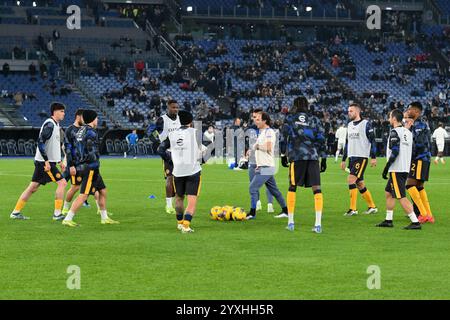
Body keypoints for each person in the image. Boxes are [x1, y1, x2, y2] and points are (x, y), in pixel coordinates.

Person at [10, 102, 67, 220]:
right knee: (62, 183)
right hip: (45, 163)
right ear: (55, 112)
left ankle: (15, 212)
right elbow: (40, 142)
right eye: (61, 111)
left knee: (33, 187)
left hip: (46, 162)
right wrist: (46, 161)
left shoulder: (56, 125)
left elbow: (53, 146)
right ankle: (57, 214)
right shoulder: (50, 125)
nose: (64, 113)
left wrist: (59, 161)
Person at [62, 110, 119, 227]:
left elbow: (74, 147)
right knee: (84, 195)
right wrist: (93, 159)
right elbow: (91, 150)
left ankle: (105, 217)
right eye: (96, 118)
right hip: (90, 167)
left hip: (85, 166)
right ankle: (68, 218)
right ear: (93, 119)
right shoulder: (91, 132)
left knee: (102, 191)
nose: (97, 120)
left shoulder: (81, 130)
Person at [280, 96, 327, 233]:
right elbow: (321, 139)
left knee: (292, 187)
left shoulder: (290, 119)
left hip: (296, 156)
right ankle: (318, 224)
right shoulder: (314, 120)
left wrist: (283, 154)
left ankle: (291, 222)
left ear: (295, 105)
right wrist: (323, 158)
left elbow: (283, 137)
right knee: (317, 188)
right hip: (312, 157)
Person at [157, 111, 206, 233]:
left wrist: (170, 160)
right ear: (191, 121)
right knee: (192, 200)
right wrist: (202, 161)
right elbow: (211, 147)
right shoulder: (196, 133)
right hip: (193, 171)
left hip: (177, 171)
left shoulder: (172, 134)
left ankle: (179, 223)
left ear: (179, 120)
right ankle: (186, 225)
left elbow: (160, 149)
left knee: (179, 198)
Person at [377, 109, 421, 230]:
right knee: (388, 192)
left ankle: (415, 221)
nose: (389, 119)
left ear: (394, 118)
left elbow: (395, 151)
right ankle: (388, 219)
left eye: (390, 116)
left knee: (400, 196)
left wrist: (386, 167)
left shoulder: (394, 132)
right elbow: (413, 151)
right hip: (404, 167)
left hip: (396, 168)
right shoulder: (408, 132)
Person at [246, 111, 287, 220]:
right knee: (274, 190)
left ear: (264, 121)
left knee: (252, 187)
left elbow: (268, 147)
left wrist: (257, 147)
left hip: (267, 167)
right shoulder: (262, 132)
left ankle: (252, 213)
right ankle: (286, 210)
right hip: (264, 166)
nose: (255, 120)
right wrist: (251, 151)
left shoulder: (269, 132)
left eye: (258, 119)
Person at [341, 103, 378, 216]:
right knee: (360, 183)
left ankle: (353, 209)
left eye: (350, 111)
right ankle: (372, 207)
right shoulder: (349, 125)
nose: (349, 113)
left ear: (357, 112)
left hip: (361, 157)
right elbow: (347, 143)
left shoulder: (366, 124)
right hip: (352, 157)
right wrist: (343, 159)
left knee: (351, 179)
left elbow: (373, 140)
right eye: (348, 111)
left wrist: (373, 157)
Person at [61, 109, 97, 215]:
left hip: (85, 163)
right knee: (75, 187)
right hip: (74, 164)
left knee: (93, 184)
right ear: (78, 117)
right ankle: (65, 208)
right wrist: (69, 163)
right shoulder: (70, 130)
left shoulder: (84, 129)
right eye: (83, 117)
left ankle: (101, 210)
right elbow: (66, 147)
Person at [148, 99, 180, 214]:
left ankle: (177, 203)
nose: (175, 109)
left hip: (180, 153)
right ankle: (168, 205)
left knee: (179, 178)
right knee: (169, 178)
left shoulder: (180, 119)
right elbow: (149, 132)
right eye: (173, 107)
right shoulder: (162, 120)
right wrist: (158, 144)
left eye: (177, 107)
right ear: (168, 107)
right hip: (167, 153)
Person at [405, 101, 434, 224]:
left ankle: (422, 214)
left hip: (419, 158)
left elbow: (419, 144)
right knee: (419, 187)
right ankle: (428, 215)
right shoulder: (419, 124)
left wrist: (409, 129)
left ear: (416, 111)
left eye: (410, 109)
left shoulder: (419, 125)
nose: (407, 111)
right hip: (423, 158)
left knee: (409, 185)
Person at [246, 109, 275, 214]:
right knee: (253, 183)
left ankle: (270, 204)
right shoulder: (251, 129)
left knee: (268, 184)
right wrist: (249, 150)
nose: (255, 119)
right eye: (253, 117)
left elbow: (269, 145)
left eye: (256, 117)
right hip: (253, 160)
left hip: (264, 161)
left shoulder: (266, 130)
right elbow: (251, 143)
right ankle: (257, 203)